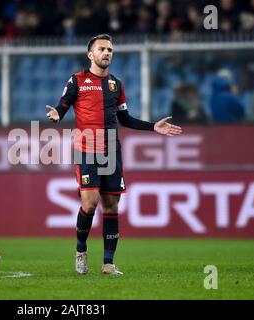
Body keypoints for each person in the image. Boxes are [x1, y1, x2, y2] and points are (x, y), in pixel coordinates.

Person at [46, 34, 182, 275]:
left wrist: (153, 126)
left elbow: (125, 118)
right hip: (87, 148)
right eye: (101, 49)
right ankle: (81, 250)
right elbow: (64, 104)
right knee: (89, 203)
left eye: (110, 49)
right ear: (91, 54)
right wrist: (57, 113)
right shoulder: (77, 80)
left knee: (111, 206)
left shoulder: (115, 85)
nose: (107, 53)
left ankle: (108, 263)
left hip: (111, 150)